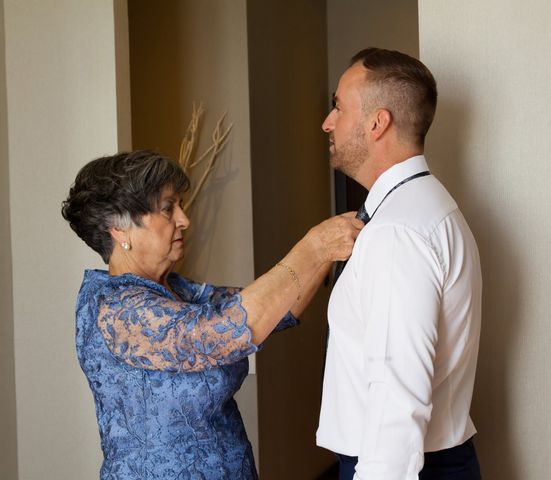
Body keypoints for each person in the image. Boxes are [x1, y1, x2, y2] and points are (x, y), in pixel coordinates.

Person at [61, 150, 362, 479]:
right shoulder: (117, 308)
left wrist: (329, 250)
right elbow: (224, 331)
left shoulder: (177, 290)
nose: (184, 219)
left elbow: (276, 309)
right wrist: (314, 246)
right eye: (167, 208)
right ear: (120, 228)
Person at [316, 48, 483, 480]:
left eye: (338, 106)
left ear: (378, 122)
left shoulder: (398, 232)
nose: (327, 122)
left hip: (404, 467)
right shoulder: (425, 208)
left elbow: (397, 398)